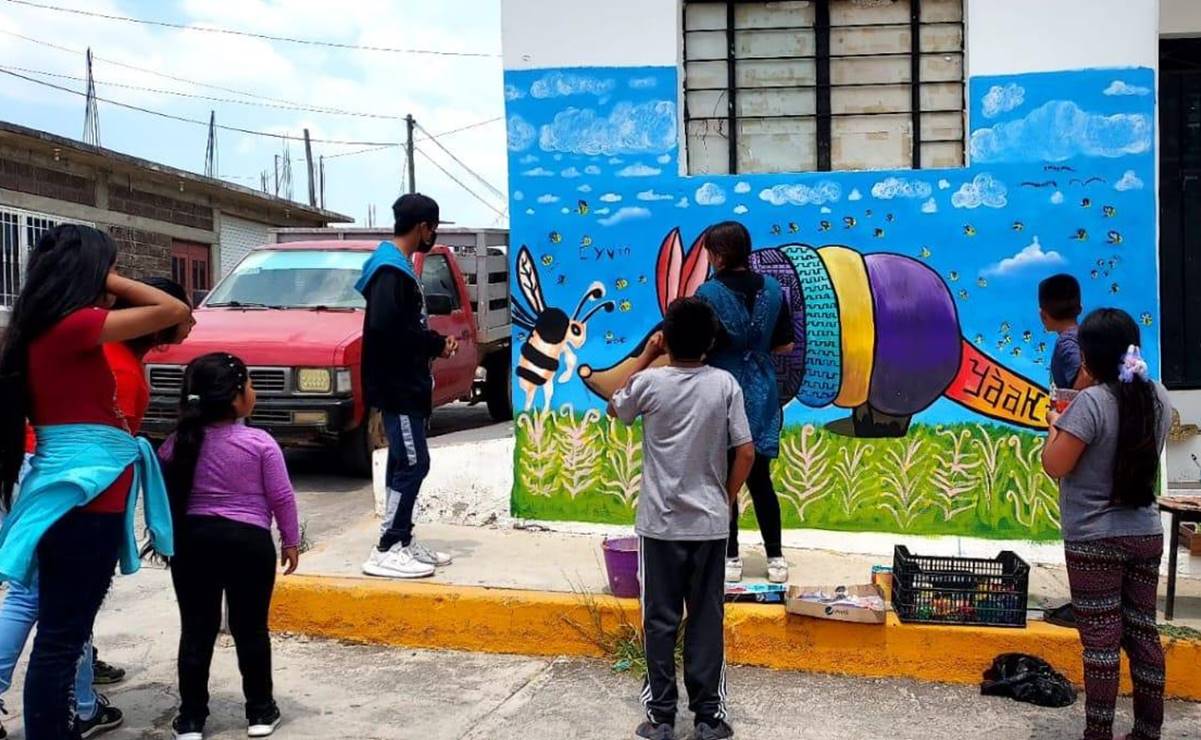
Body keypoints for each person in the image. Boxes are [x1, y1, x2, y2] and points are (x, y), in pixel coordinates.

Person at [0, 224, 182, 738]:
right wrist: (110, 278)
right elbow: (173, 313)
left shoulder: (44, 330)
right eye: (110, 267)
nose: (115, 279)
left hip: (77, 503)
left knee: (62, 637)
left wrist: (102, 275)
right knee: (61, 640)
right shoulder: (74, 325)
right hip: (86, 508)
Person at [609, 297, 755, 740]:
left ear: (667, 338)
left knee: (660, 619)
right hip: (710, 525)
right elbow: (746, 450)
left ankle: (661, 717)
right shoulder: (725, 385)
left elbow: (616, 407)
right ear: (711, 342)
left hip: (660, 525)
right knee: (706, 618)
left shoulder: (651, 384)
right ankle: (709, 717)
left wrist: (649, 355)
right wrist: (725, 498)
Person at [1042, 308, 1172, 740]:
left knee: (1100, 642)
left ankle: (1098, 733)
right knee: (1143, 634)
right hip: (1145, 532)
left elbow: (1055, 464)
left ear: (1090, 357)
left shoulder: (1092, 404)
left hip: (1094, 539)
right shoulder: (1159, 396)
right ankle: (1147, 731)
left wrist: (1055, 426)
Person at [159, 353, 300, 740]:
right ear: (237, 397)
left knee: (196, 630)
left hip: (192, 544)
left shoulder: (175, 444)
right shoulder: (259, 442)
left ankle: (190, 718)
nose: (252, 391)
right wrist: (291, 540)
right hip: (249, 544)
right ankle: (259, 711)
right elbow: (282, 498)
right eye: (250, 384)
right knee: (251, 630)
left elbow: (163, 498)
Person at [356, 193, 458, 579]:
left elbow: (402, 326)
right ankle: (386, 548)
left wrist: (431, 343)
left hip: (407, 384)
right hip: (398, 388)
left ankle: (400, 540)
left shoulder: (397, 267)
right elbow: (388, 329)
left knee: (403, 462)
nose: (432, 235)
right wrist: (432, 342)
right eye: (432, 228)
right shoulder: (390, 271)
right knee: (415, 463)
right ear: (423, 228)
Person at [694, 221, 795, 585]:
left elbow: (701, 345)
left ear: (718, 256)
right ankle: (776, 557)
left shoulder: (708, 293)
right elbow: (786, 345)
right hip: (764, 389)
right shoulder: (772, 290)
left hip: (722, 387)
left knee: (725, 476)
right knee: (760, 479)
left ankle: (731, 556)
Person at [1039, 273, 1090, 392]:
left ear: (1043, 315)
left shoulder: (1066, 342)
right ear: (1080, 309)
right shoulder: (1086, 335)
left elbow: (1083, 385)